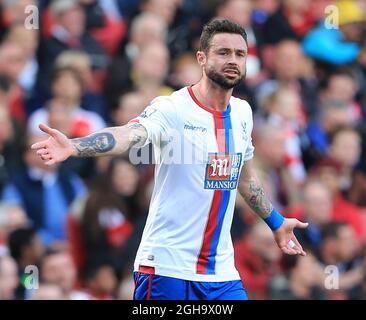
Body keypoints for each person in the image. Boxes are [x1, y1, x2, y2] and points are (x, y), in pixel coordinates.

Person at [31, 19, 308, 300]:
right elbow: (130, 134)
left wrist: (276, 221)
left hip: (222, 273)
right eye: (223, 52)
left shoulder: (242, 113)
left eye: (239, 54)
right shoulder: (173, 108)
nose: (232, 60)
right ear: (202, 58)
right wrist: (75, 146)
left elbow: (244, 178)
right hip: (167, 269)